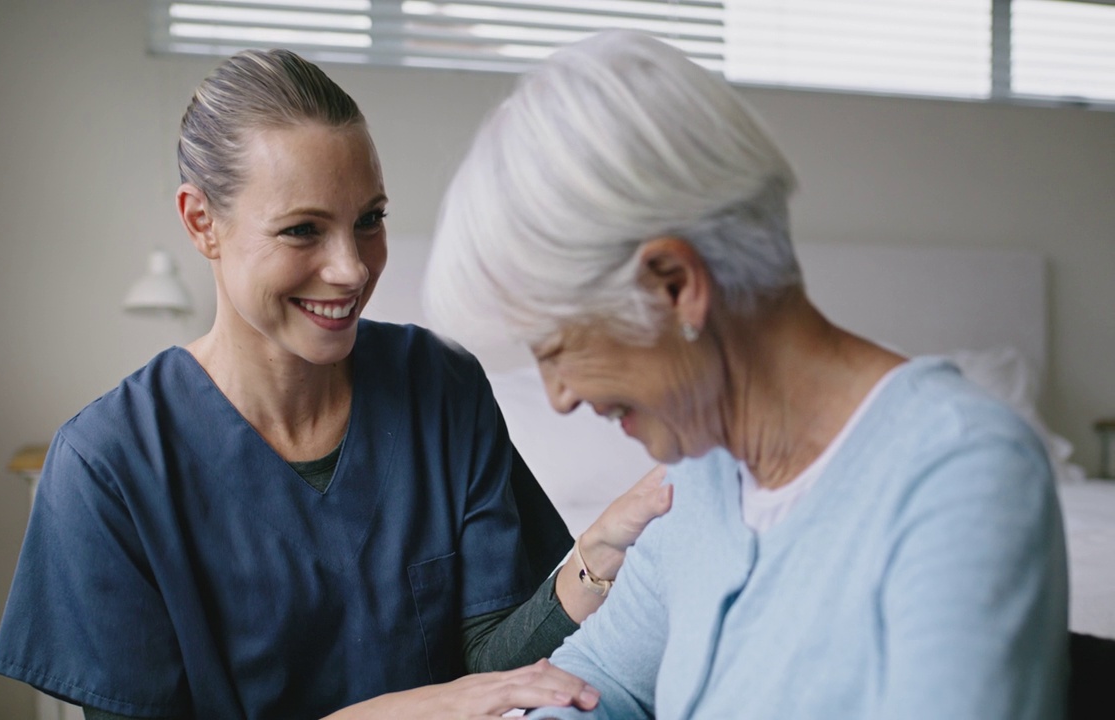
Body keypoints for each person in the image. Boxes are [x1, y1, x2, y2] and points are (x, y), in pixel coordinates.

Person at [0, 48, 672, 719]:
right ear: (202, 222)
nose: (350, 268)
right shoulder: (107, 466)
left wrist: (598, 555)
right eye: (303, 230)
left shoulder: (441, 388)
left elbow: (493, 673)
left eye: (369, 219)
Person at [422, 30, 1069, 719]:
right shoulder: (702, 475)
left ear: (674, 286)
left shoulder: (959, 475)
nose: (559, 398)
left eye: (558, 349)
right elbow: (593, 679)